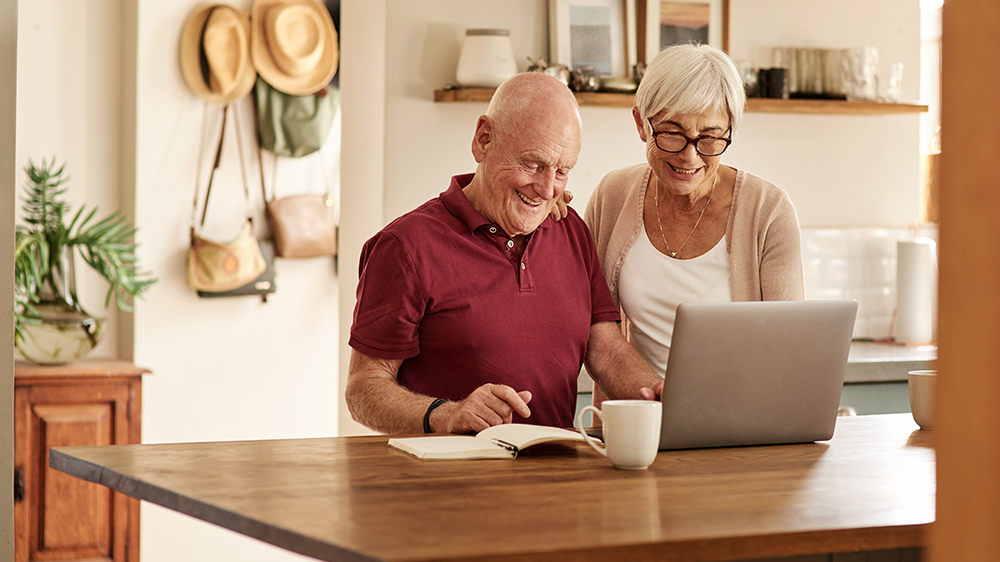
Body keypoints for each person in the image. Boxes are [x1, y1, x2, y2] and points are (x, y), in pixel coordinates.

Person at [346, 72, 663, 435]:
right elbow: (364, 388)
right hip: (447, 480)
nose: (546, 190)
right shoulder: (405, 246)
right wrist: (446, 414)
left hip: (556, 477)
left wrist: (660, 396)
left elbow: (606, 351)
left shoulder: (570, 229)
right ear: (484, 140)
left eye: (562, 171)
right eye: (533, 164)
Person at [584, 43, 805, 406]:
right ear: (642, 123)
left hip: (740, 424)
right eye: (672, 132)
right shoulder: (613, 196)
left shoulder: (769, 212)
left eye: (710, 137)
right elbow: (593, 327)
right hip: (639, 419)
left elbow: (791, 350)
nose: (690, 156)